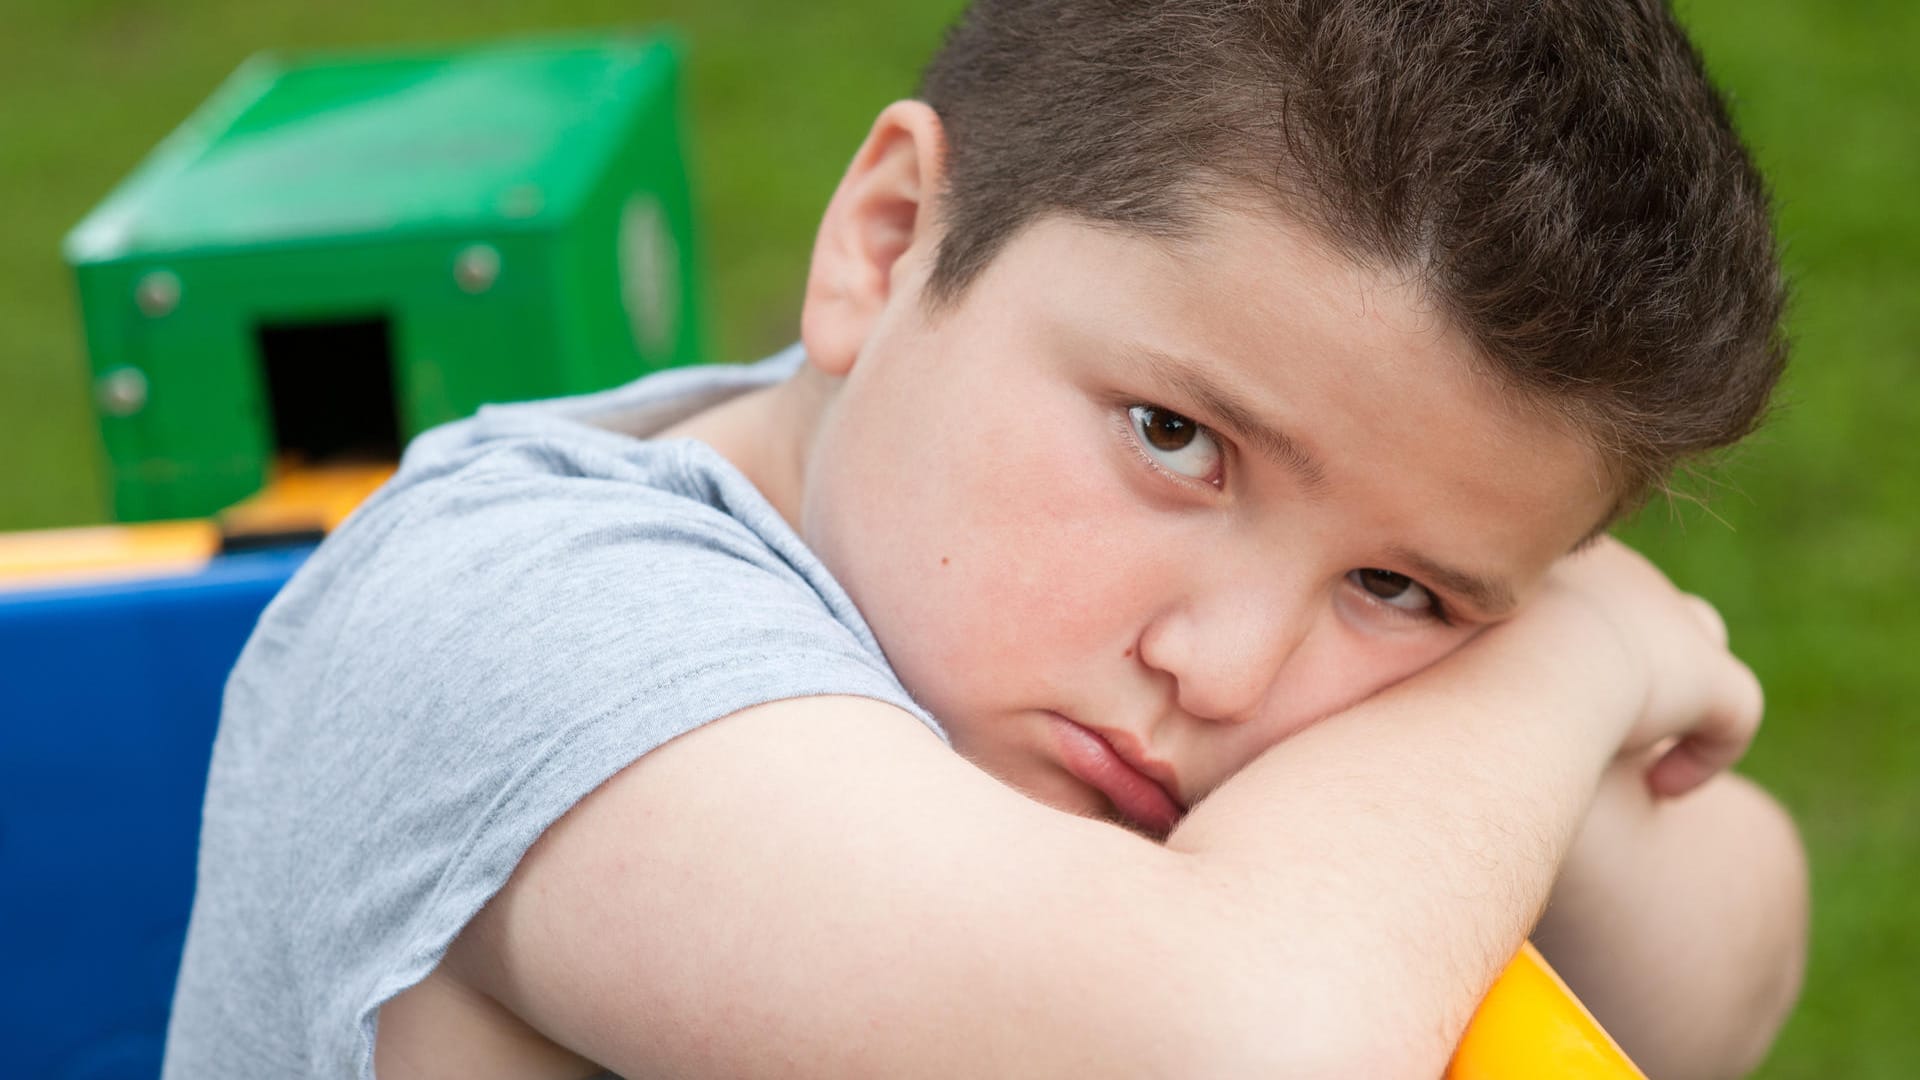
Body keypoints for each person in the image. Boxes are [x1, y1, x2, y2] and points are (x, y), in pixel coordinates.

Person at [163, 2, 1809, 1077]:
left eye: (1402, 587)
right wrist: (1564, 667)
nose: (1224, 670)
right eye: (1179, 442)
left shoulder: (1011, 614)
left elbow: (1718, 973)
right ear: (885, 243)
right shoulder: (520, 621)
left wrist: (1510, 665)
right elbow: (1235, 1054)